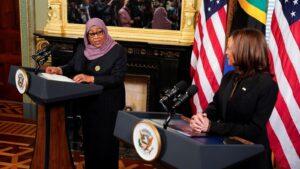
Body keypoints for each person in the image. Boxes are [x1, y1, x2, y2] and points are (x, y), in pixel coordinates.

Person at [190, 28, 278, 169]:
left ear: (244, 50)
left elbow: (253, 129)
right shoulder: (229, 77)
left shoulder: (267, 84)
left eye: (230, 48)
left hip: (250, 158)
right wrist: (202, 118)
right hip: (225, 151)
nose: (226, 52)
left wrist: (212, 126)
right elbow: (215, 106)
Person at [45, 18, 127, 169]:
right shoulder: (84, 48)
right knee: (90, 140)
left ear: (105, 31)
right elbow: (72, 65)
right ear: (87, 35)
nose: (96, 37)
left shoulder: (117, 50)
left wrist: (91, 78)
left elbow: (117, 78)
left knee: (106, 142)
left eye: (99, 32)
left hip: (109, 105)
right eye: (91, 34)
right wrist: (59, 69)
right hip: (89, 103)